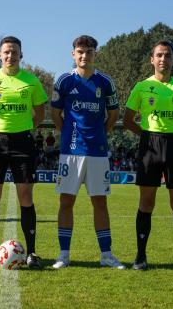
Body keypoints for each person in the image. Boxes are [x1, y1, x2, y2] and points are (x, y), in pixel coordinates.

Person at [123, 40, 173, 272]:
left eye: (167, 55)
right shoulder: (141, 87)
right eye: (159, 55)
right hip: (150, 146)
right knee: (146, 202)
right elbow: (128, 120)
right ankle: (140, 257)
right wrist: (147, 136)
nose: (163, 59)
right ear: (152, 59)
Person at [50, 35, 125, 269]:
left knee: (100, 203)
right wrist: (68, 135)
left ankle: (106, 255)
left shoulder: (105, 83)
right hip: (70, 152)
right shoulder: (63, 81)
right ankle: (64, 254)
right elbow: (55, 114)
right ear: (73, 54)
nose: (84, 55)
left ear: (95, 54)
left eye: (89, 51)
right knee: (66, 202)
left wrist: (100, 134)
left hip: (97, 152)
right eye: (80, 51)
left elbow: (113, 114)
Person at [0, 36, 48, 269]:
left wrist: (21, 128)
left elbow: (40, 113)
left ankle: (33, 253)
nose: (10, 55)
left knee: (26, 196)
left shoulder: (31, 81)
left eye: (14, 52)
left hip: (23, 142)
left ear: (21, 54)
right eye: (6, 52)